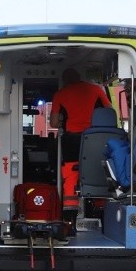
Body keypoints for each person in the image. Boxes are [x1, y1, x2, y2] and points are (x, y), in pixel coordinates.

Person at [49, 68, 112, 219]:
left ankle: (70, 217)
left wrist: (63, 121)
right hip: (95, 138)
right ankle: (100, 212)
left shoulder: (60, 94)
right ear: (79, 77)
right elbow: (109, 112)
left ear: (65, 80)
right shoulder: (96, 90)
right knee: (98, 171)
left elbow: (53, 122)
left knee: (71, 174)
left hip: (72, 140)